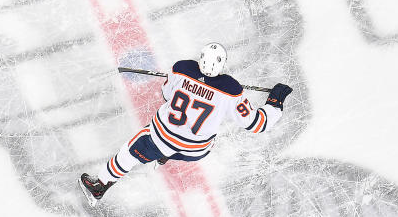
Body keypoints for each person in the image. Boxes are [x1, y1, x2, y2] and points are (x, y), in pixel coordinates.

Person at [79, 42, 293, 206]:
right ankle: (165, 155)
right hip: (197, 150)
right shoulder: (231, 89)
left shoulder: (182, 69)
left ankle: (100, 186)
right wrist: (275, 104)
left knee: (130, 150)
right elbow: (257, 124)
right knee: (185, 140)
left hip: (162, 139)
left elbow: (166, 94)